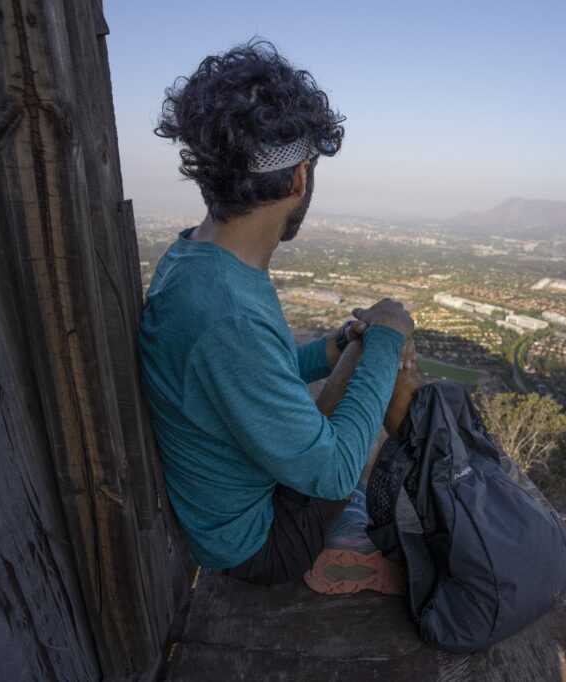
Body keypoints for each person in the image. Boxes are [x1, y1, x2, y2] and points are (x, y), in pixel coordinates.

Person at [139, 39, 415, 588]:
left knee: (366, 349)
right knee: (380, 363)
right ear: (298, 179)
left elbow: (260, 372)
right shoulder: (227, 314)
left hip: (239, 494)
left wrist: (342, 342)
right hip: (256, 545)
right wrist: (387, 338)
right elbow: (336, 471)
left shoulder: (199, 262)